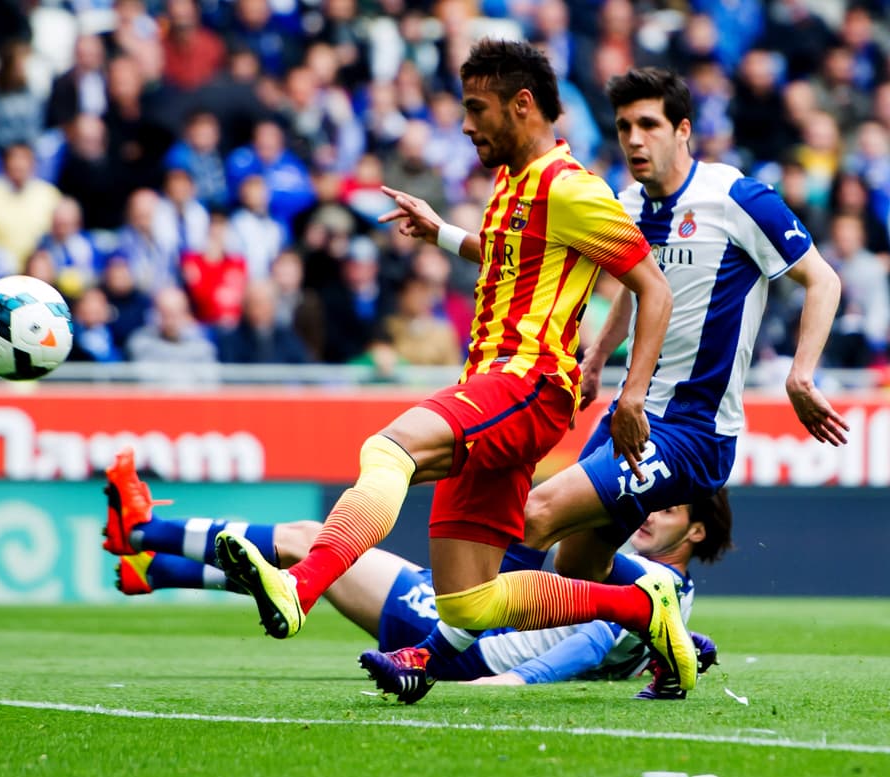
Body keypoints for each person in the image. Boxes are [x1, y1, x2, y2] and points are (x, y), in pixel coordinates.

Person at [211, 40, 694, 688]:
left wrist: (630, 395)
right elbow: (504, 252)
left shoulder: (572, 189)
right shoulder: (512, 183)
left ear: (522, 106)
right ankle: (642, 605)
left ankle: (301, 586)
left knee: (389, 451)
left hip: (527, 382)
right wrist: (439, 230)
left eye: (476, 108)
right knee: (467, 602)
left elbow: (653, 288)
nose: (465, 124)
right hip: (495, 384)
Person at [367, 66, 851, 704]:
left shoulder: (738, 199)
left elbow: (824, 280)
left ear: (683, 131)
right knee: (577, 567)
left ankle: (430, 656)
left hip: (691, 432)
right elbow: (588, 270)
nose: (633, 139)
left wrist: (800, 373)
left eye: (648, 124)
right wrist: (595, 358)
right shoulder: (626, 203)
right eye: (623, 126)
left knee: (533, 517)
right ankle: (661, 616)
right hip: (631, 417)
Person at [101, 448, 724, 699]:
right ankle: (155, 569)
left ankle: (141, 532)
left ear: (696, 532)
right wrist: (687, 650)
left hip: (467, 641)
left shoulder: (651, 586)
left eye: (665, 507)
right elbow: (626, 641)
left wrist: (516, 684)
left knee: (312, 546)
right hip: (467, 619)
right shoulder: (670, 598)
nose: (645, 515)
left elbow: (594, 640)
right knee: (313, 562)